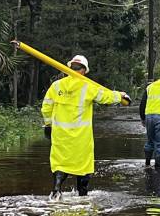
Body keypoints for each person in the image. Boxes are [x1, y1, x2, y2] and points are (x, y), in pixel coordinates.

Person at [41, 55, 129, 201]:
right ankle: (82, 198)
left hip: (60, 135)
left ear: (70, 68)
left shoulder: (56, 86)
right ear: (83, 71)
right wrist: (120, 96)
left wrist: (48, 125)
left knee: (60, 163)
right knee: (83, 166)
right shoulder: (88, 86)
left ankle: (56, 190)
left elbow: (46, 107)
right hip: (81, 137)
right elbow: (106, 97)